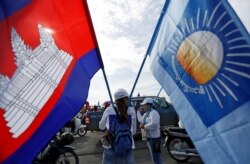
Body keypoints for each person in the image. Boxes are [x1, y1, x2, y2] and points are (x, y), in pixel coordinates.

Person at [99, 88, 136, 164]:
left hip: (110, 145)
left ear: (115, 99)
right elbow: (134, 132)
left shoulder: (109, 110)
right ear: (126, 98)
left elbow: (101, 127)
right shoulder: (132, 110)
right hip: (127, 146)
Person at [137, 97, 163, 164]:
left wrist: (144, 126)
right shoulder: (146, 113)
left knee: (157, 157)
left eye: (144, 105)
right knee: (154, 157)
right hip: (149, 138)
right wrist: (138, 112)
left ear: (149, 105)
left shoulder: (154, 113)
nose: (143, 106)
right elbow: (141, 120)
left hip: (155, 139)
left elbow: (154, 124)